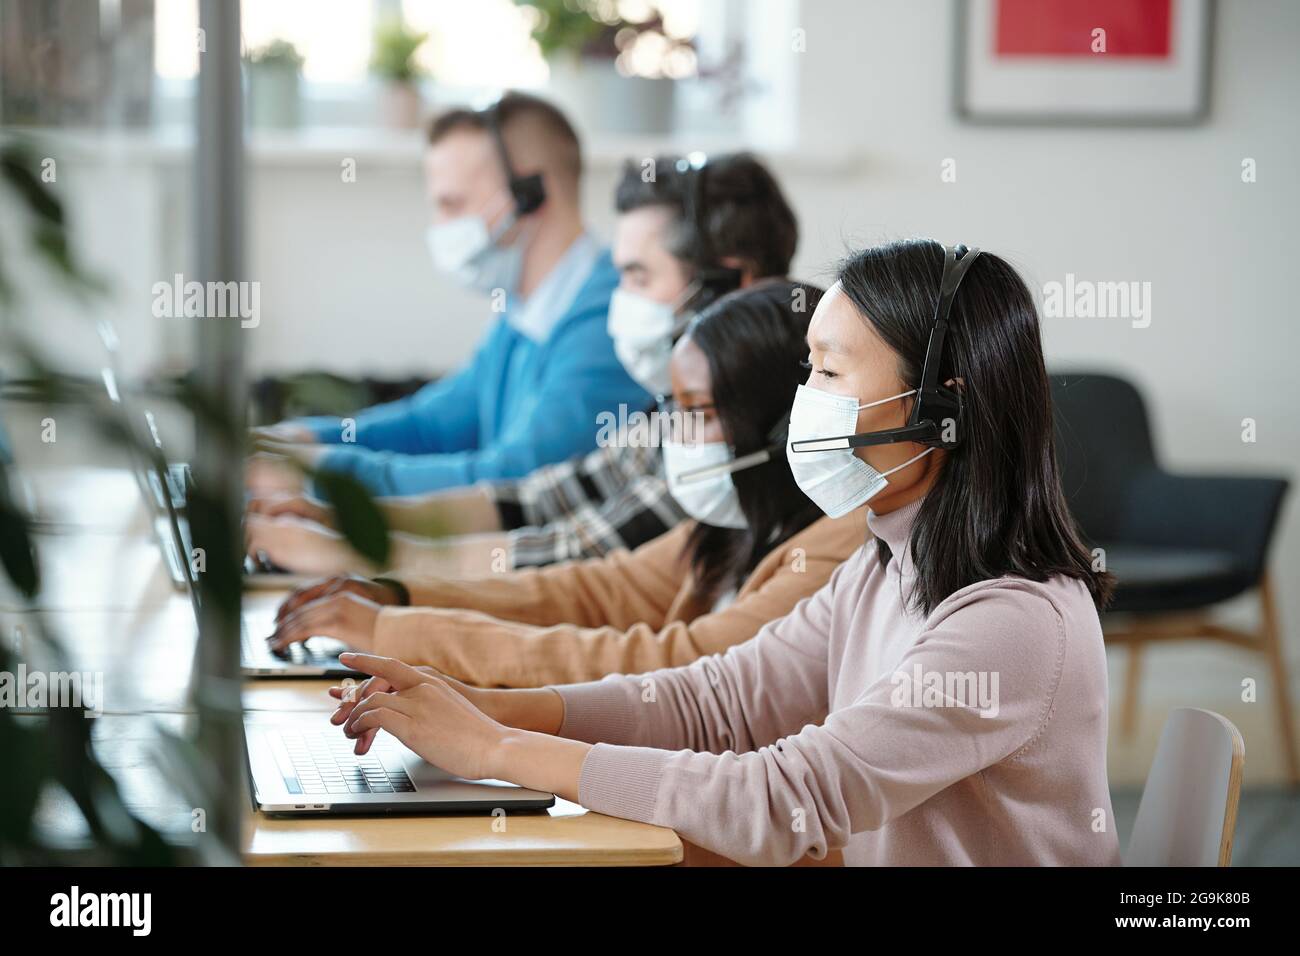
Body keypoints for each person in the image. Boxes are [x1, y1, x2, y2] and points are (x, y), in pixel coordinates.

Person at [326, 239, 1120, 867]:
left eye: (831, 371)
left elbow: (787, 800)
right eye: (808, 368)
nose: (801, 405)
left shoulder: (1011, 619)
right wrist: (478, 706)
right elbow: (713, 704)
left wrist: (497, 751)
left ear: (940, 404)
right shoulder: (880, 569)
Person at [266, 281, 873, 689]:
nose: (674, 433)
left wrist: (399, 631)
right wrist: (399, 596)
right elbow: (595, 591)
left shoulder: (835, 547)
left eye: (698, 411)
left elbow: (680, 665)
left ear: (779, 429)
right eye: (673, 407)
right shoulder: (733, 519)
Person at [246, 153, 802, 577]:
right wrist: (346, 518)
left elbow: (576, 558)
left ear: (733, 284)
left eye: (639, 278)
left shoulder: (748, 430)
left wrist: (355, 549)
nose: (620, 303)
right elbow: (531, 498)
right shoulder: (667, 414)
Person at [247, 92, 647, 497]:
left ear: (531, 195)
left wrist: (322, 474)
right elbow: (431, 425)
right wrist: (301, 441)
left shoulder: (610, 323)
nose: (439, 226)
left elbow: (516, 481)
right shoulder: (525, 315)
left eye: (452, 205)